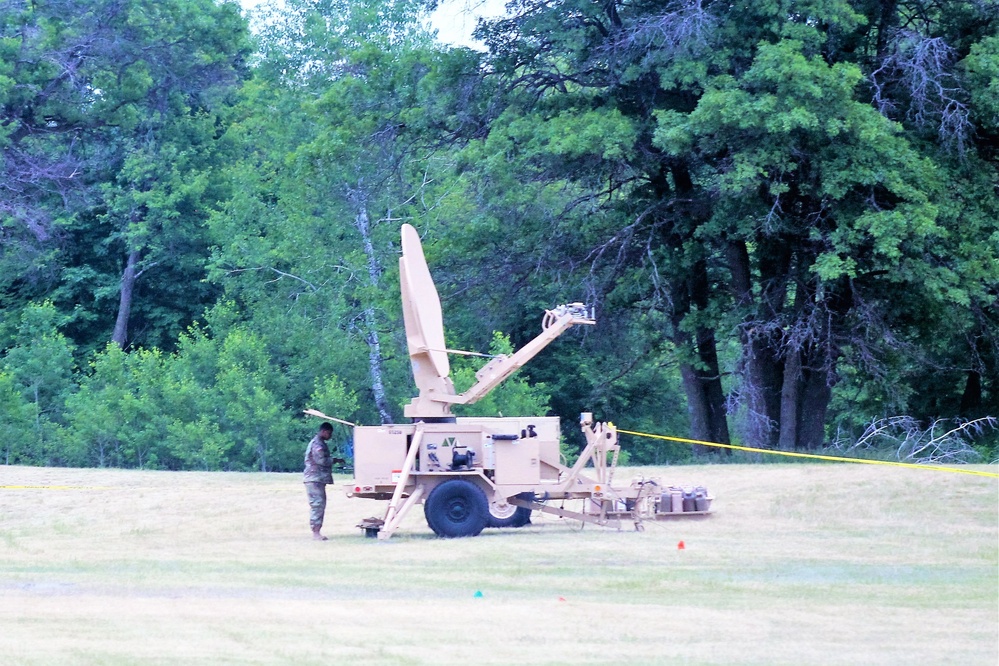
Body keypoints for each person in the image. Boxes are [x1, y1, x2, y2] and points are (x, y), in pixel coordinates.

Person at [303, 422, 338, 541]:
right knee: (317, 505)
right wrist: (333, 460)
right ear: (323, 431)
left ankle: (316, 531)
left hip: (317, 479)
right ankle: (316, 532)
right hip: (314, 479)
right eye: (329, 433)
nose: (330, 436)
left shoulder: (319, 443)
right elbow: (321, 461)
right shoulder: (317, 444)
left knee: (319, 504)